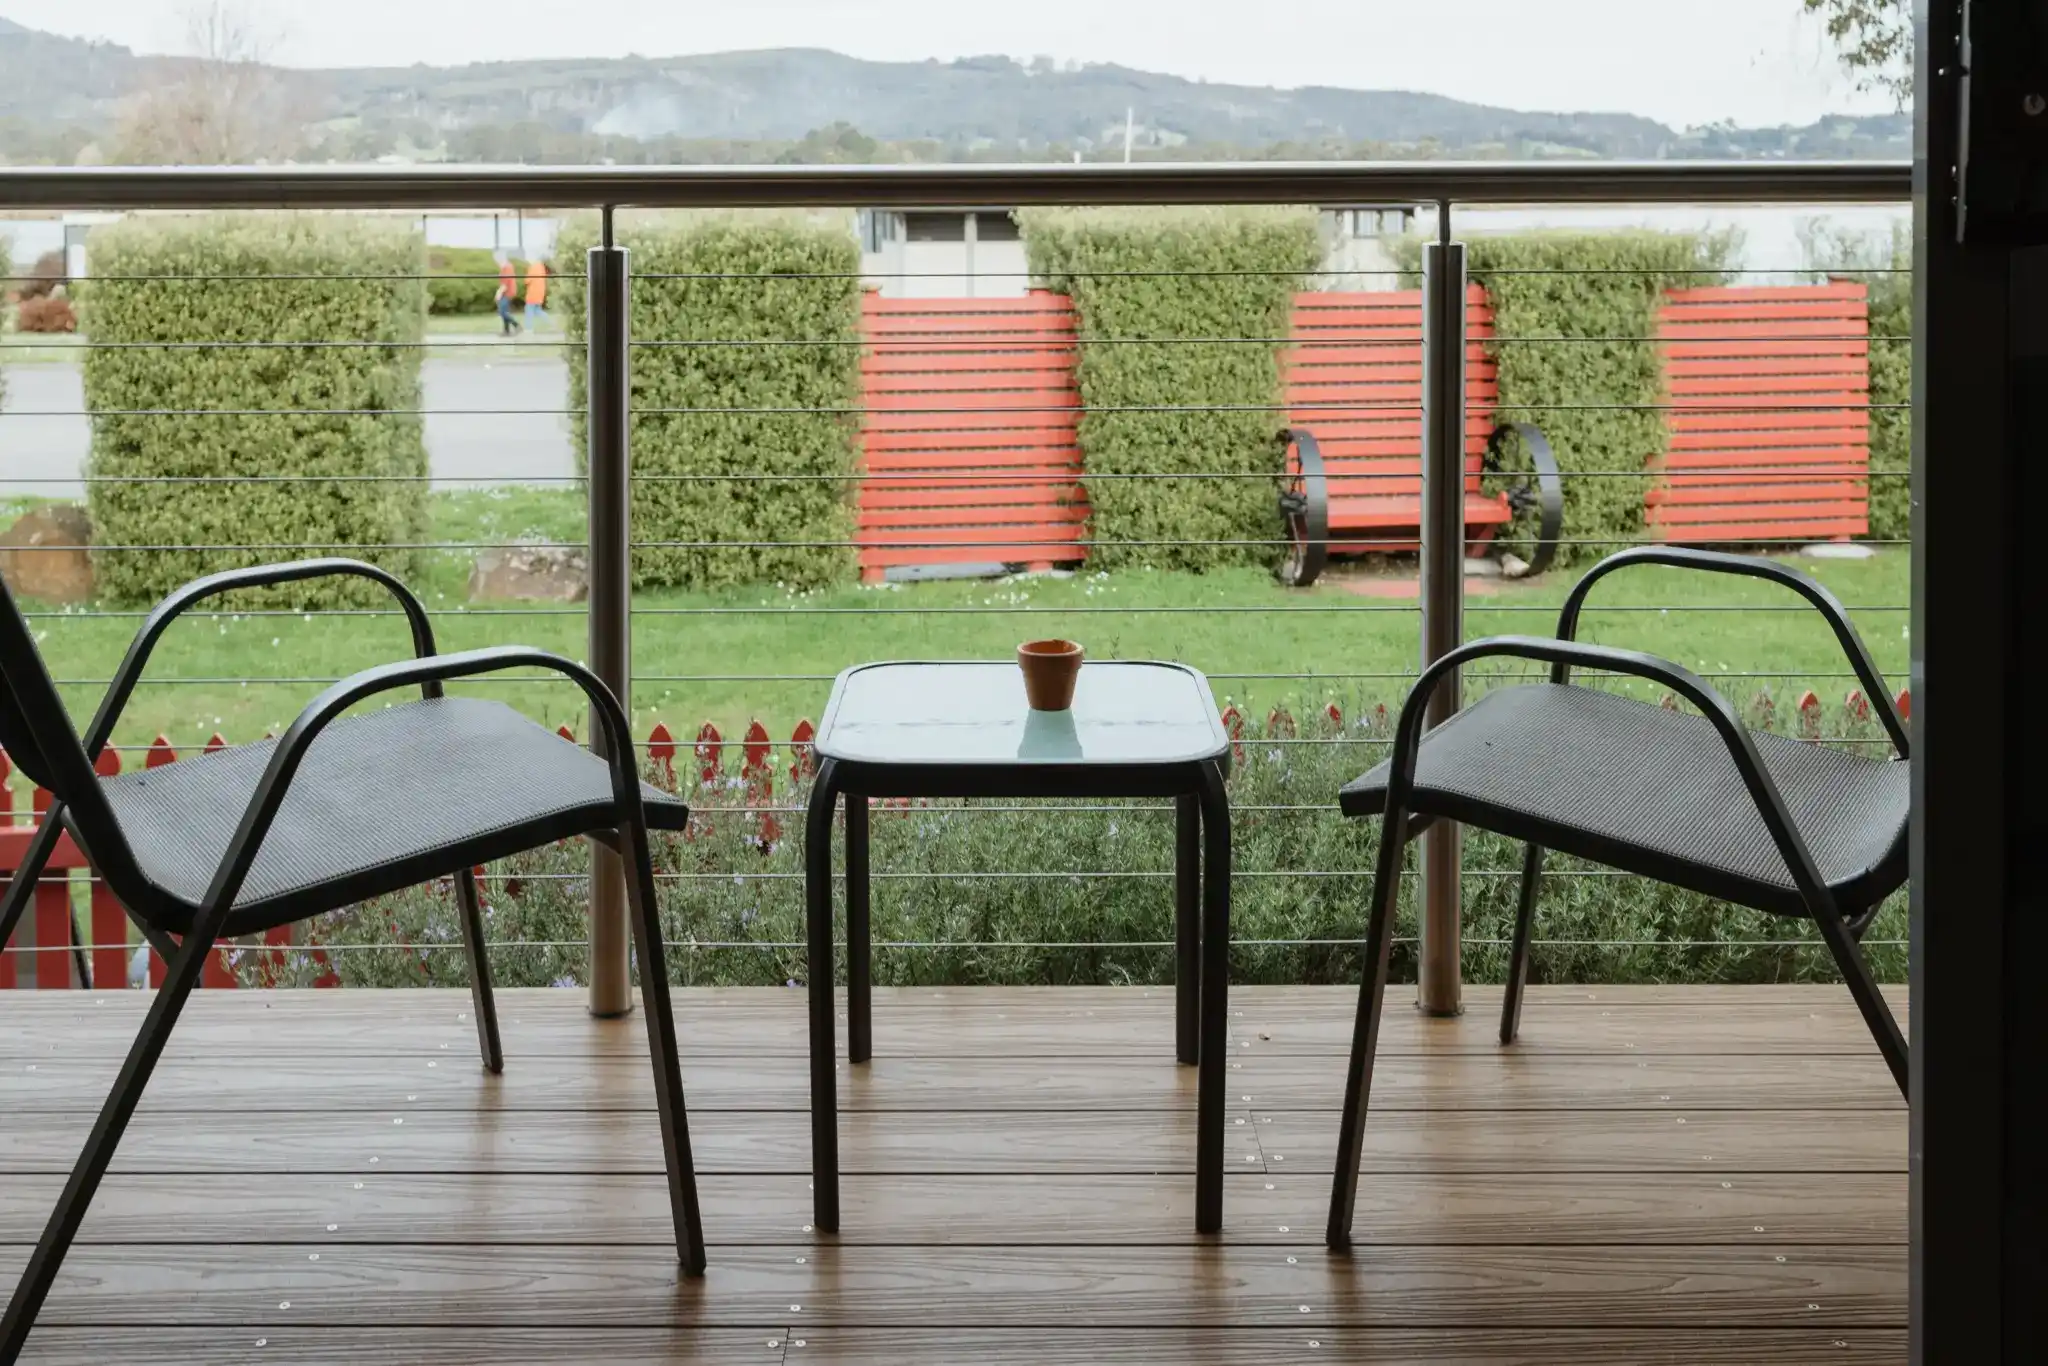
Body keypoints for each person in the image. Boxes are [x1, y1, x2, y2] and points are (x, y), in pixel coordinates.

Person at [495, 252, 519, 336]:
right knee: (504, 311)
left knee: (502, 312)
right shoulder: (506, 267)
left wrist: (499, 293)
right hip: (507, 291)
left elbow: (505, 282)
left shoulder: (507, 268)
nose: (497, 263)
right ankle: (506, 331)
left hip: (508, 292)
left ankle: (517, 326)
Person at [524, 257, 550, 330]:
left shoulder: (533, 267)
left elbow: (527, 281)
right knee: (538, 311)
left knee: (528, 311)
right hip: (540, 294)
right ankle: (552, 323)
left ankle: (528, 329)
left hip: (532, 294)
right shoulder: (542, 267)